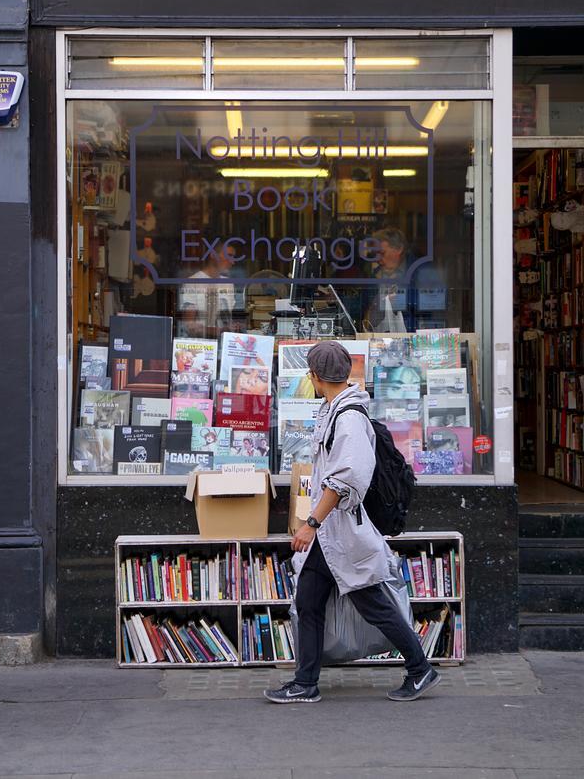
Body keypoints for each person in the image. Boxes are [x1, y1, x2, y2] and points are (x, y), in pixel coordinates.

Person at [264, 340, 440, 704]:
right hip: (331, 536)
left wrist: (310, 523)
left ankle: (421, 668)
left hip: (341, 535)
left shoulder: (348, 418)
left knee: (374, 605)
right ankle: (305, 683)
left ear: (314, 377)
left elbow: (346, 479)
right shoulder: (334, 410)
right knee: (309, 602)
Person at [177, 238, 236, 335]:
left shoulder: (228, 284)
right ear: (213, 255)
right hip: (200, 345)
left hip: (226, 344)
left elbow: (229, 320)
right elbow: (189, 326)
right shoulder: (193, 282)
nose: (232, 262)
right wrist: (219, 331)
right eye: (229, 256)